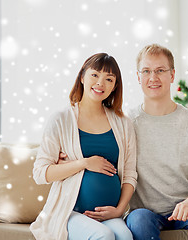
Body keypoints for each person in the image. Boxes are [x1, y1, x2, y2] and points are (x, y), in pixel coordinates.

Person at [30, 53, 137, 240]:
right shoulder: (61, 119)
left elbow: (129, 173)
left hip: (109, 215)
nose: (100, 83)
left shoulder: (123, 123)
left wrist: (118, 210)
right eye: (94, 75)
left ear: (115, 86)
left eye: (109, 79)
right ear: (82, 77)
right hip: (70, 212)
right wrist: (84, 163)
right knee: (103, 236)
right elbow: (40, 173)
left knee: (125, 236)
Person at [125, 44, 188, 240]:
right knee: (138, 220)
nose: (153, 77)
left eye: (160, 70)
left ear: (172, 75)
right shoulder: (125, 124)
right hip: (145, 213)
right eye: (146, 71)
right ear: (138, 77)